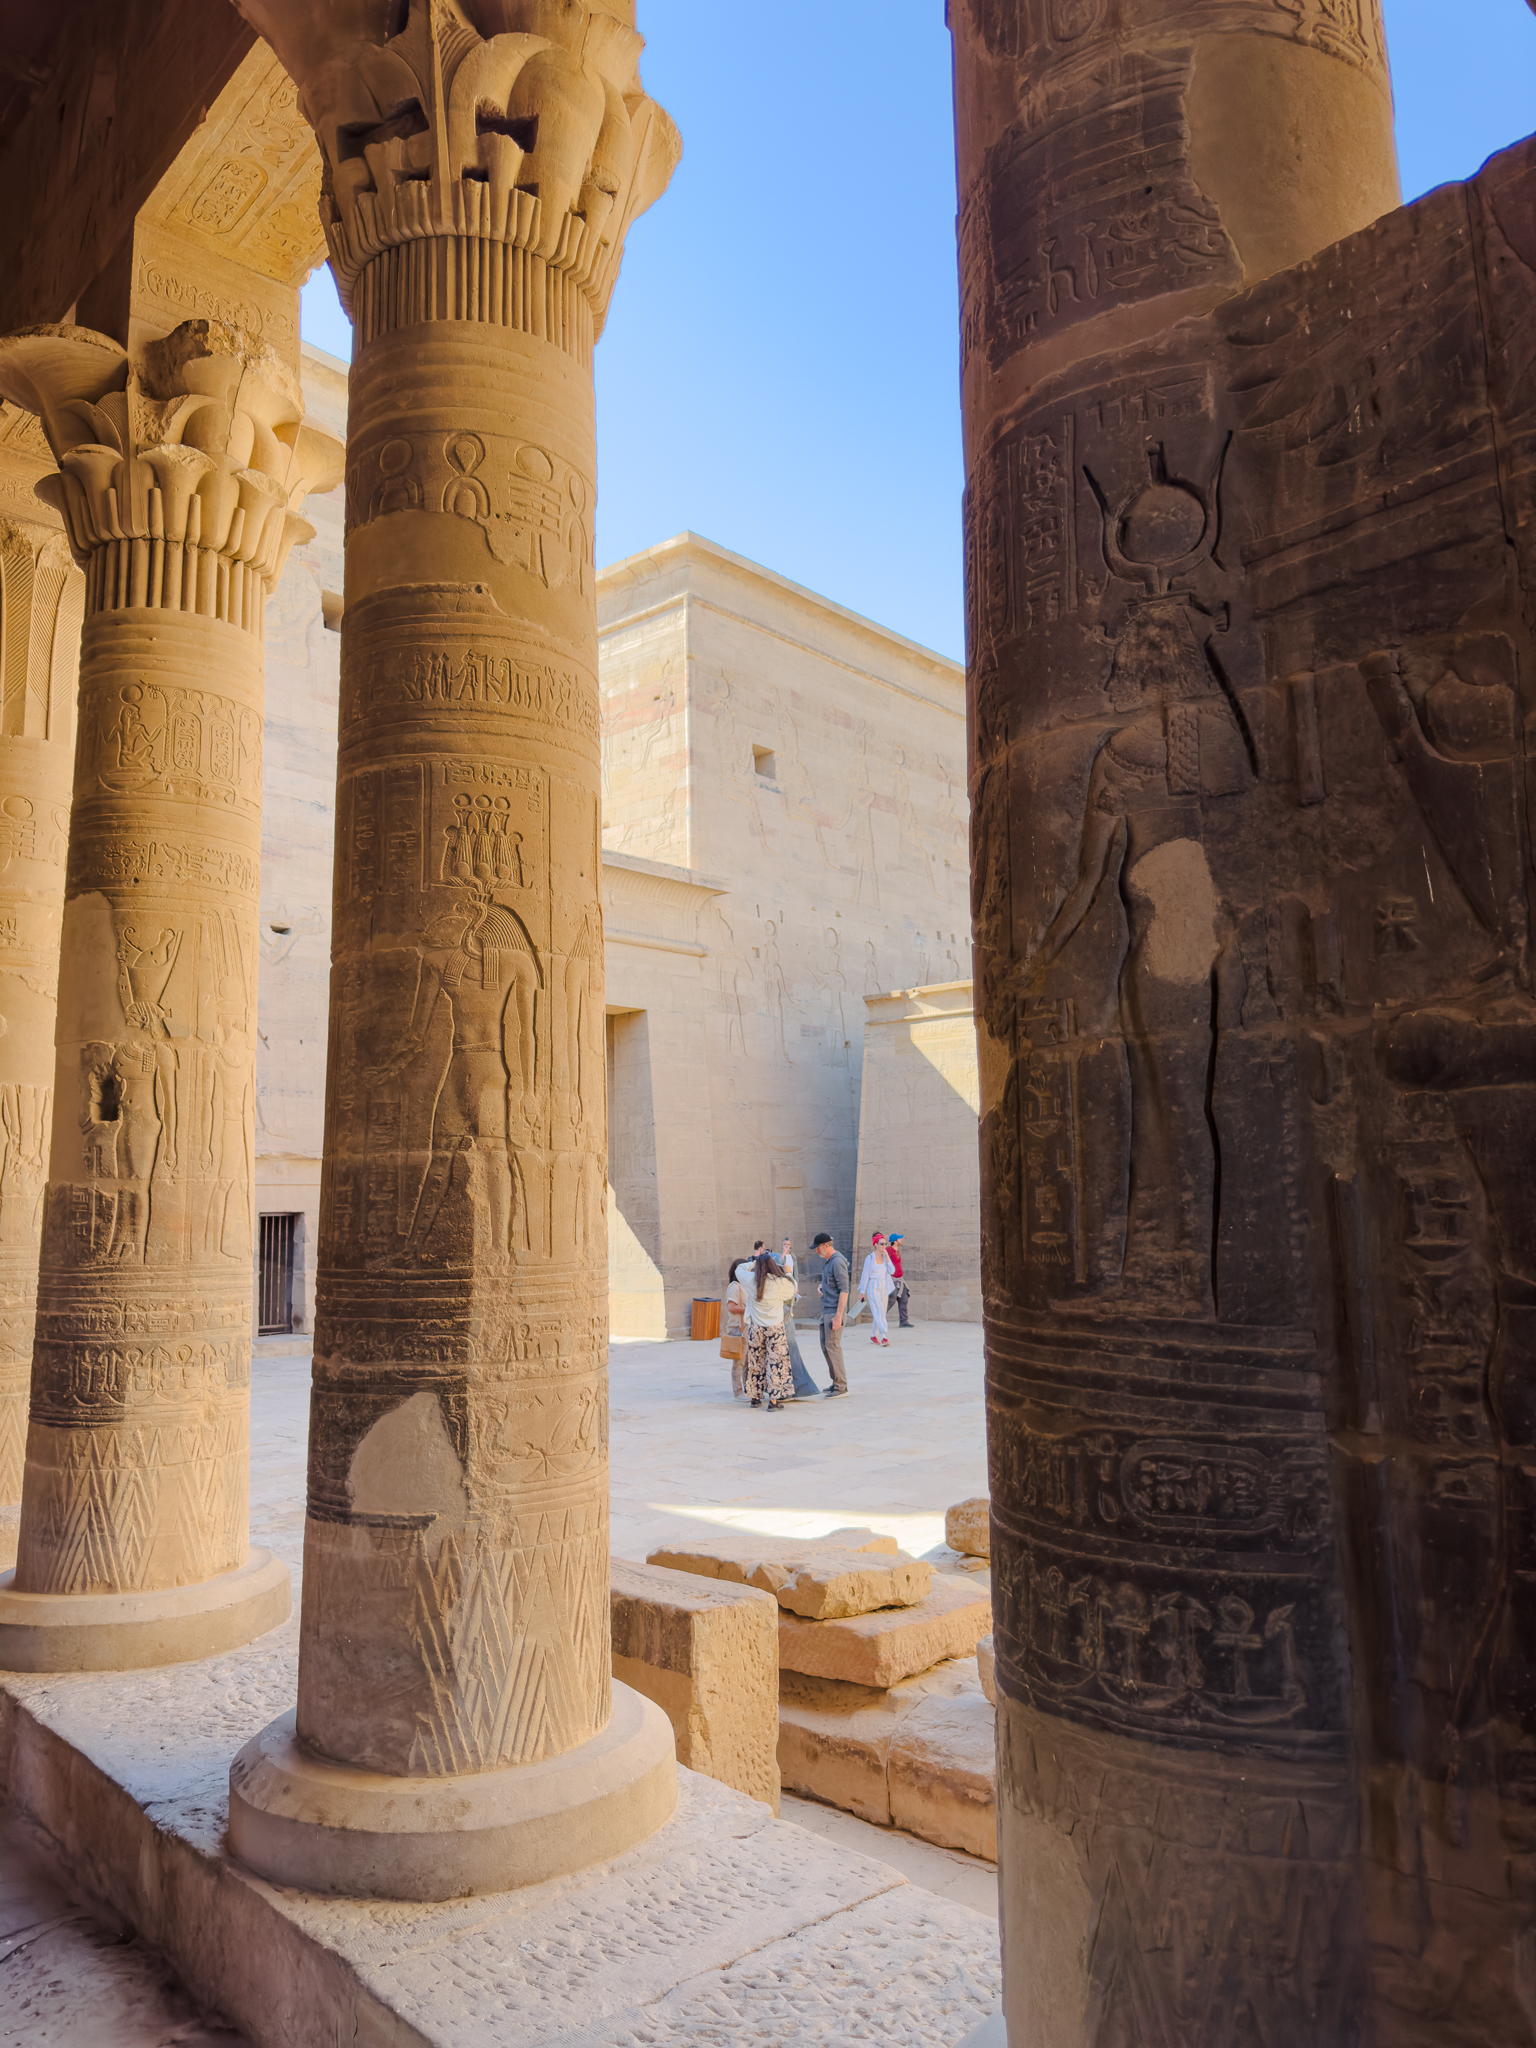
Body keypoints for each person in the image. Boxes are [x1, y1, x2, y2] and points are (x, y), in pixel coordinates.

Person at [742, 1250, 796, 1411]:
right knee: (776, 1363)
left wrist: (753, 1262)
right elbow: (793, 1289)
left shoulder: (751, 1280)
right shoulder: (780, 1283)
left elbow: (739, 1270)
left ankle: (755, 1397)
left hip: (756, 1327)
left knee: (755, 1362)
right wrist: (788, 1271)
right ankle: (773, 1401)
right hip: (775, 1328)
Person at [779, 1235, 823, 1397]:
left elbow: (794, 1273)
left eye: (789, 1244)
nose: (787, 1246)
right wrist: (782, 1256)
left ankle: (789, 1390)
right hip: (781, 1318)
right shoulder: (781, 1257)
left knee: (789, 1355)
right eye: (785, 1244)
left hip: (784, 1314)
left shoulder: (793, 1259)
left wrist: (795, 1285)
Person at [812, 1232, 850, 1396]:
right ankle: (835, 1382)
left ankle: (841, 1386)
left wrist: (838, 1316)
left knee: (833, 1347)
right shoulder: (829, 1262)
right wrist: (822, 1287)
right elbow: (833, 1284)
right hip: (826, 1309)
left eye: (817, 1248)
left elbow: (844, 1289)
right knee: (826, 1347)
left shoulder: (837, 1262)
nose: (816, 1251)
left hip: (834, 1312)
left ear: (825, 1246)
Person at [858, 1233, 895, 1346]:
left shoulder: (885, 1257)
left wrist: (888, 1257)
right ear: (875, 1244)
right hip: (872, 1286)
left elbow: (892, 1271)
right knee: (878, 1310)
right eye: (882, 1244)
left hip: (883, 1286)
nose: (884, 1246)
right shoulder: (869, 1258)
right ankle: (884, 1336)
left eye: (885, 1244)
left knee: (881, 1311)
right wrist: (862, 1292)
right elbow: (865, 1275)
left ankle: (873, 1335)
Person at [723, 1256, 749, 1397]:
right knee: (739, 1362)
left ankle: (748, 1388)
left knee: (748, 1362)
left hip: (747, 1327)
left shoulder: (745, 1286)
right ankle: (738, 1391)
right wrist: (748, 1309)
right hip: (739, 1328)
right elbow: (731, 1307)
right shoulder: (735, 1287)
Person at [888, 1233, 912, 1328]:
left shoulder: (897, 1251)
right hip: (892, 1279)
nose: (901, 1240)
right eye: (900, 1239)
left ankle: (904, 1321)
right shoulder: (889, 1250)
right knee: (891, 1300)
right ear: (895, 1241)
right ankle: (879, 1317)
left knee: (904, 1298)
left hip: (900, 1280)